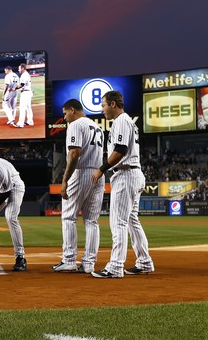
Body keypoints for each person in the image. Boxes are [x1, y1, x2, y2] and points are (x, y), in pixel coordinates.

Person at [90, 90, 155, 278]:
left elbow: (120, 150)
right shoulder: (127, 122)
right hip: (133, 173)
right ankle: (144, 261)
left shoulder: (121, 121)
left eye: (103, 105)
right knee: (132, 221)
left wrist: (101, 168)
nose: (102, 109)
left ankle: (115, 267)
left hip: (126, 175)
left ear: (112, 104)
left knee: (118, 222)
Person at [52, 99, 104, 273]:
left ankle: (69, 260)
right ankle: (89, 263)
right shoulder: (97, 126)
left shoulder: (75, 124)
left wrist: (65, 179)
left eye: (65, 113)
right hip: (98, 173)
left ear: (72, 110)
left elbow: (74, 153)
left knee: (68, 217)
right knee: (91, 221)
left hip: (81, 172)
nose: (65, 117)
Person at [15, 63, 34, 128]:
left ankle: (20, 123)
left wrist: (14, 88)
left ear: (23, 68)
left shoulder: (24, 75)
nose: (18, 70)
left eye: (19, 68)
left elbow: (22, 85)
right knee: (28, 107)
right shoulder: (26, 74)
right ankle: (30, 121)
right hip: (28, 92)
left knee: (22, 107)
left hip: (25, 93)